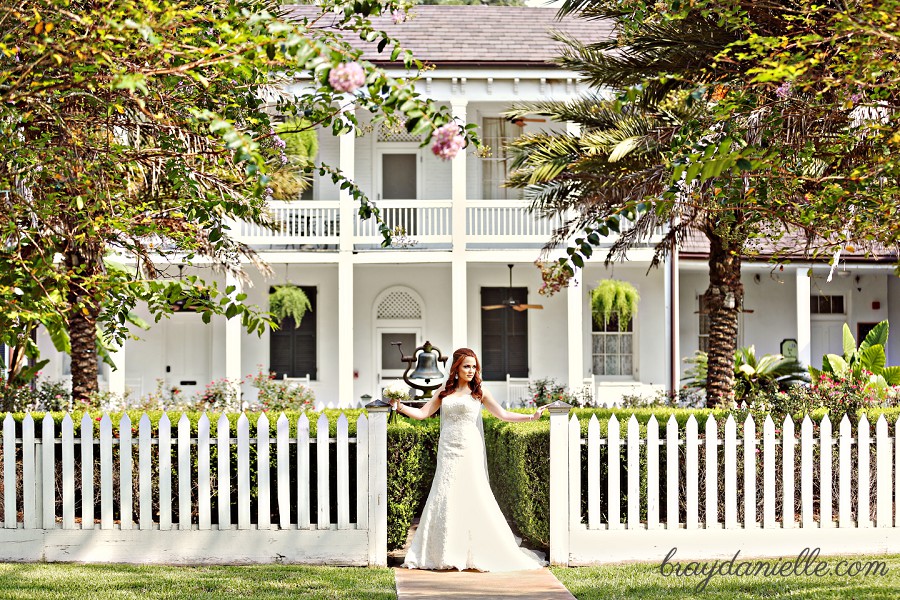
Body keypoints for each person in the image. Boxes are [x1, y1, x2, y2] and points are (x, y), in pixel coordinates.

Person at [388, 347, 547, 572]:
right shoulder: (444, 391)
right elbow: (423, 413)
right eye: (467, 366)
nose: (471, 370)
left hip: (470, 448)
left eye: (474, 366)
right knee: (445, 492)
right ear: (456, 368)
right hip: (448, 449)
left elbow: (502, 414)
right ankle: (443, 551)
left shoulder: (479, 392)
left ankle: (475, 551)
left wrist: (531, 416)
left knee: (474, 493)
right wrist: (399, 406)